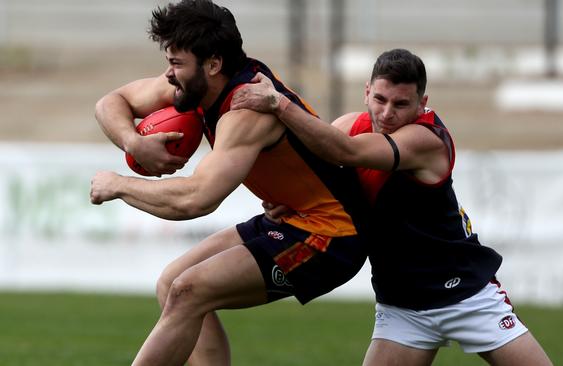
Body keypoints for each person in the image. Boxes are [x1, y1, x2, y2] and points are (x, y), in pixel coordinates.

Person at [230, 48, 553, 365]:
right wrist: (287, 202)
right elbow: (313, 171)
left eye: (401, 104)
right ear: (367, 92)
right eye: (380, 100)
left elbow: (345, 153)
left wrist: (280, 103)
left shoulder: (426, 141)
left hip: (465, 294)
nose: (387, 113)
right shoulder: (348, 128)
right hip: (402, 306)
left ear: (421, 104)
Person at [89, 1, 369, 365]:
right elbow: (111, 102)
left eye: (176, 63)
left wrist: (120, 185)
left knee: (189, 291)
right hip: (291, 217)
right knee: (171, 282)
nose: (169, 74)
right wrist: (134, 142)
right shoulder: (195, 84)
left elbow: (197, 199)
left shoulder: (247, 110)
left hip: (332, 235)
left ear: (214, 63)